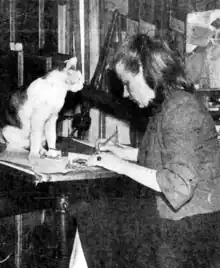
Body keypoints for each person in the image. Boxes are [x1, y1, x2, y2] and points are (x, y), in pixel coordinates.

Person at [70, 34, 220, 268]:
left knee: (90, 213)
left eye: (128, 83)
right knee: (92, 213)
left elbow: (178, 185)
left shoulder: (180, 108)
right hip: (183, 223)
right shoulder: (169, 106)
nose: (126, 93)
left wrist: (120, 165)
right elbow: (164, 155)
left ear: (145, 70)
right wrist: (121, 152)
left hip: (191, 231)